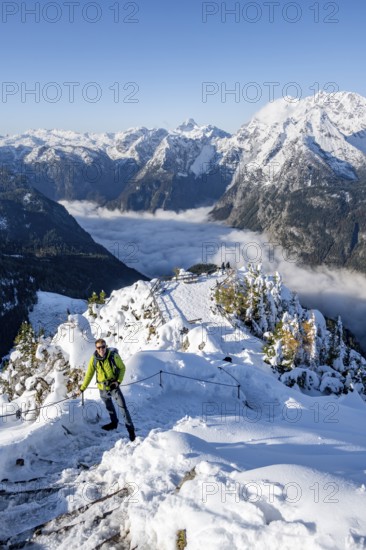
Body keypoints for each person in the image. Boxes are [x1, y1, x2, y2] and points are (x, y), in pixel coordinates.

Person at [76, 339, 136, 440]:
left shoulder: (113, 356)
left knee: (123, 408)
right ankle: (114, 423)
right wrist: (82, 389)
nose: (102, 349)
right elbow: (89, 375)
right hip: (102, 388)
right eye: (99, 347)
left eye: (103, 347)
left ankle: (131, 430)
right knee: (109, 407)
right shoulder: (94, 359)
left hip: (114, 386)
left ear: (106, 346)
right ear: (96, 348)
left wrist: (118, 381)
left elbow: (122, 368)